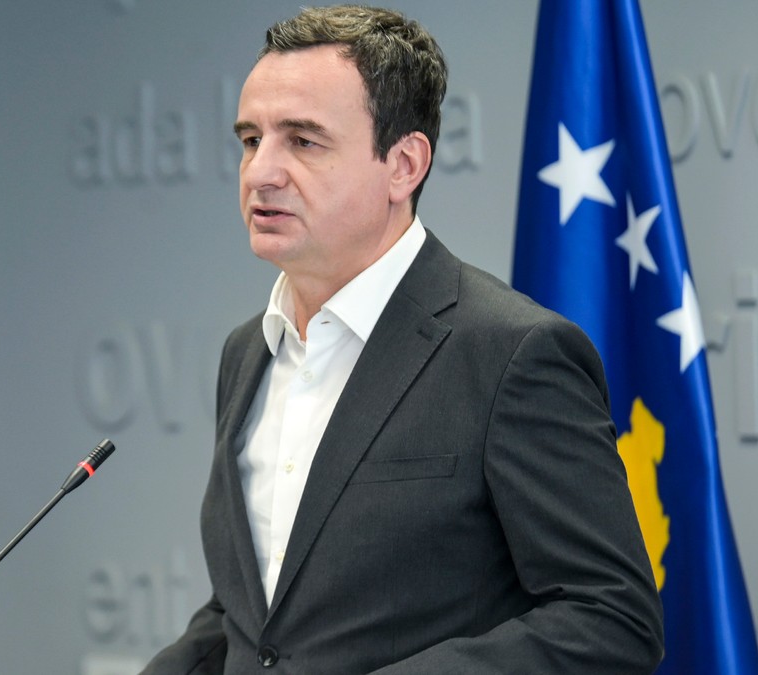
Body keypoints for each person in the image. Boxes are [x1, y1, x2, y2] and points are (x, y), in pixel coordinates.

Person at [141, 5, 663, 673]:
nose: (259, 172)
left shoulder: (512, 354)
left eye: (303, 141)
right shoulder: (246, 353)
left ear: (404, 165)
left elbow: (612, 618)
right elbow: (253, 616)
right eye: (250, 139)